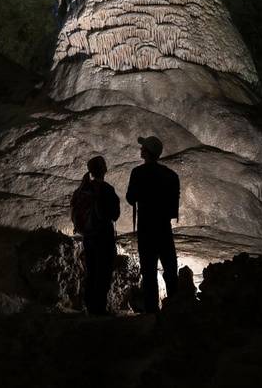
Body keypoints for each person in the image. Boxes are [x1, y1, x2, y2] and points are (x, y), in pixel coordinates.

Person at [125, 135, 180, 314]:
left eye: (143, 148)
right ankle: (175, 306)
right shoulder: (171, 175)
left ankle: (151, 310)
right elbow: (173, 208)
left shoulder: (138, 173)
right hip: (163, 226)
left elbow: (130, 198)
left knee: (148, 271)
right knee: (170, 268)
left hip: (146, 227)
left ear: (147, 152)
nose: (140, 150)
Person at [69, 155, 120, 315]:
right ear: (104, 169)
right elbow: (115, 214)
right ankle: (99, 307)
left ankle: (90, 305)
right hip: (103, 234)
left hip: (88, 235)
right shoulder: (107, 189)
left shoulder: (82, 189)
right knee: (103, 270)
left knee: (91, 270)